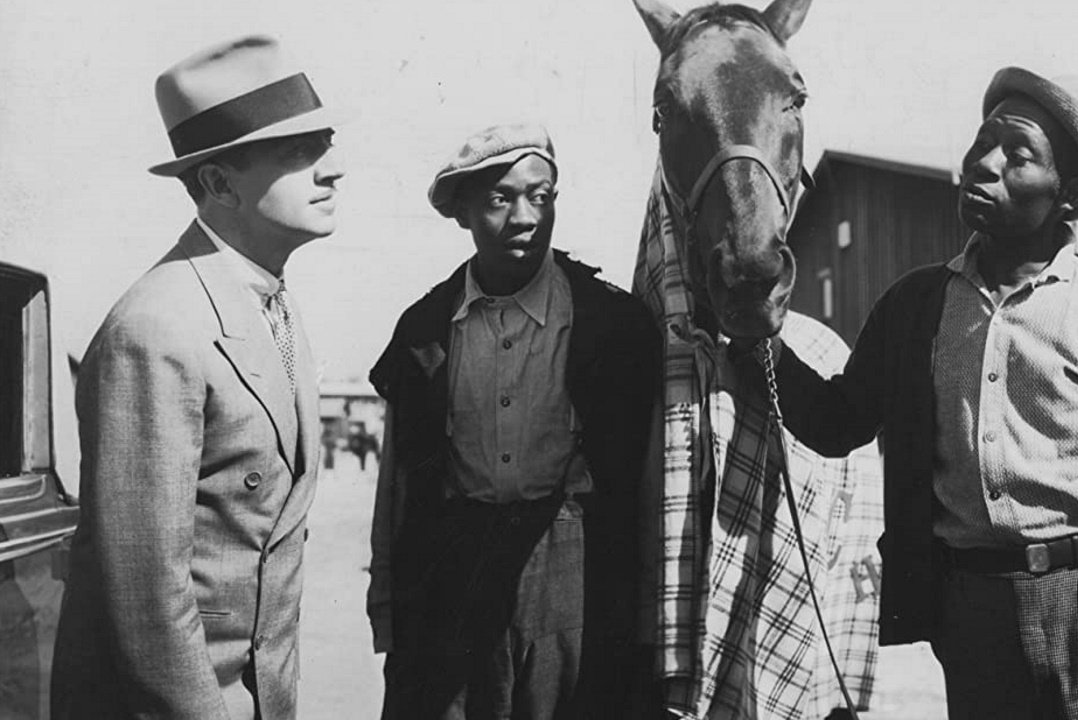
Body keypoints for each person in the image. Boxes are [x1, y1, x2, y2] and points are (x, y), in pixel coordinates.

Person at [755, 67, 1078, 719]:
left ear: (1067, 194)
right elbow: (838, 423)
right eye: (982, 143)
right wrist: (759, 334)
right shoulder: (914, 307)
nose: (983, 163)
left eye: (1018, 153)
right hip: (975, 615)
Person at [51, 35, 347, 720]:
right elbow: (147, 600)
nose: (334, 170)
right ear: (218, 183)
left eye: (326, 143)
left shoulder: (269, 303)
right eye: (299, 151)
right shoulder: (156, 329)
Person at [367, 123, 660, 719]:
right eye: (500, 199)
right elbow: (395, 487)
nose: (524, 217)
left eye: (540, 196)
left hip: (575, 570)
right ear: (463, 212)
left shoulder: (613, 323)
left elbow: (650, 489)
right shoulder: (424, 332)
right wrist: (390, 614)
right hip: (457, 566)